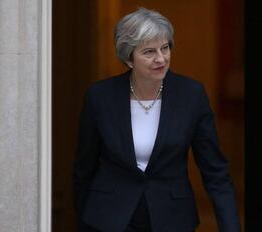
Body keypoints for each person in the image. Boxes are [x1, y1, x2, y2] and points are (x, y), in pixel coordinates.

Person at [73, 7, 241, 232]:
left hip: (172, 219)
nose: (161, 59)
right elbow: (84, 169)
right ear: (129, 58)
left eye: (165, 48)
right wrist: (84, 223)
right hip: (110, 220)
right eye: (149, 52)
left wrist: (230, 227)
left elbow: (215, 172)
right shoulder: (100, 98)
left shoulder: (191, 95)